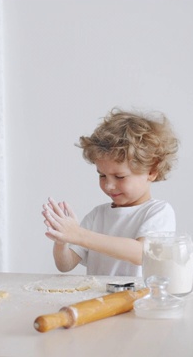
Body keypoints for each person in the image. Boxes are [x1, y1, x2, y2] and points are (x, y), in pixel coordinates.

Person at [42, 108, 179, 276]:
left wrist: (79, 235)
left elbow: (142, 254)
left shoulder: (158, 212)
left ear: (152, 171)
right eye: (102, 175)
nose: (109, 185)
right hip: (101, 301)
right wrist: (62, 241)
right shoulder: (98, 215)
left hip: (140, 301)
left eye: (119, 177)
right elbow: (65, 265)